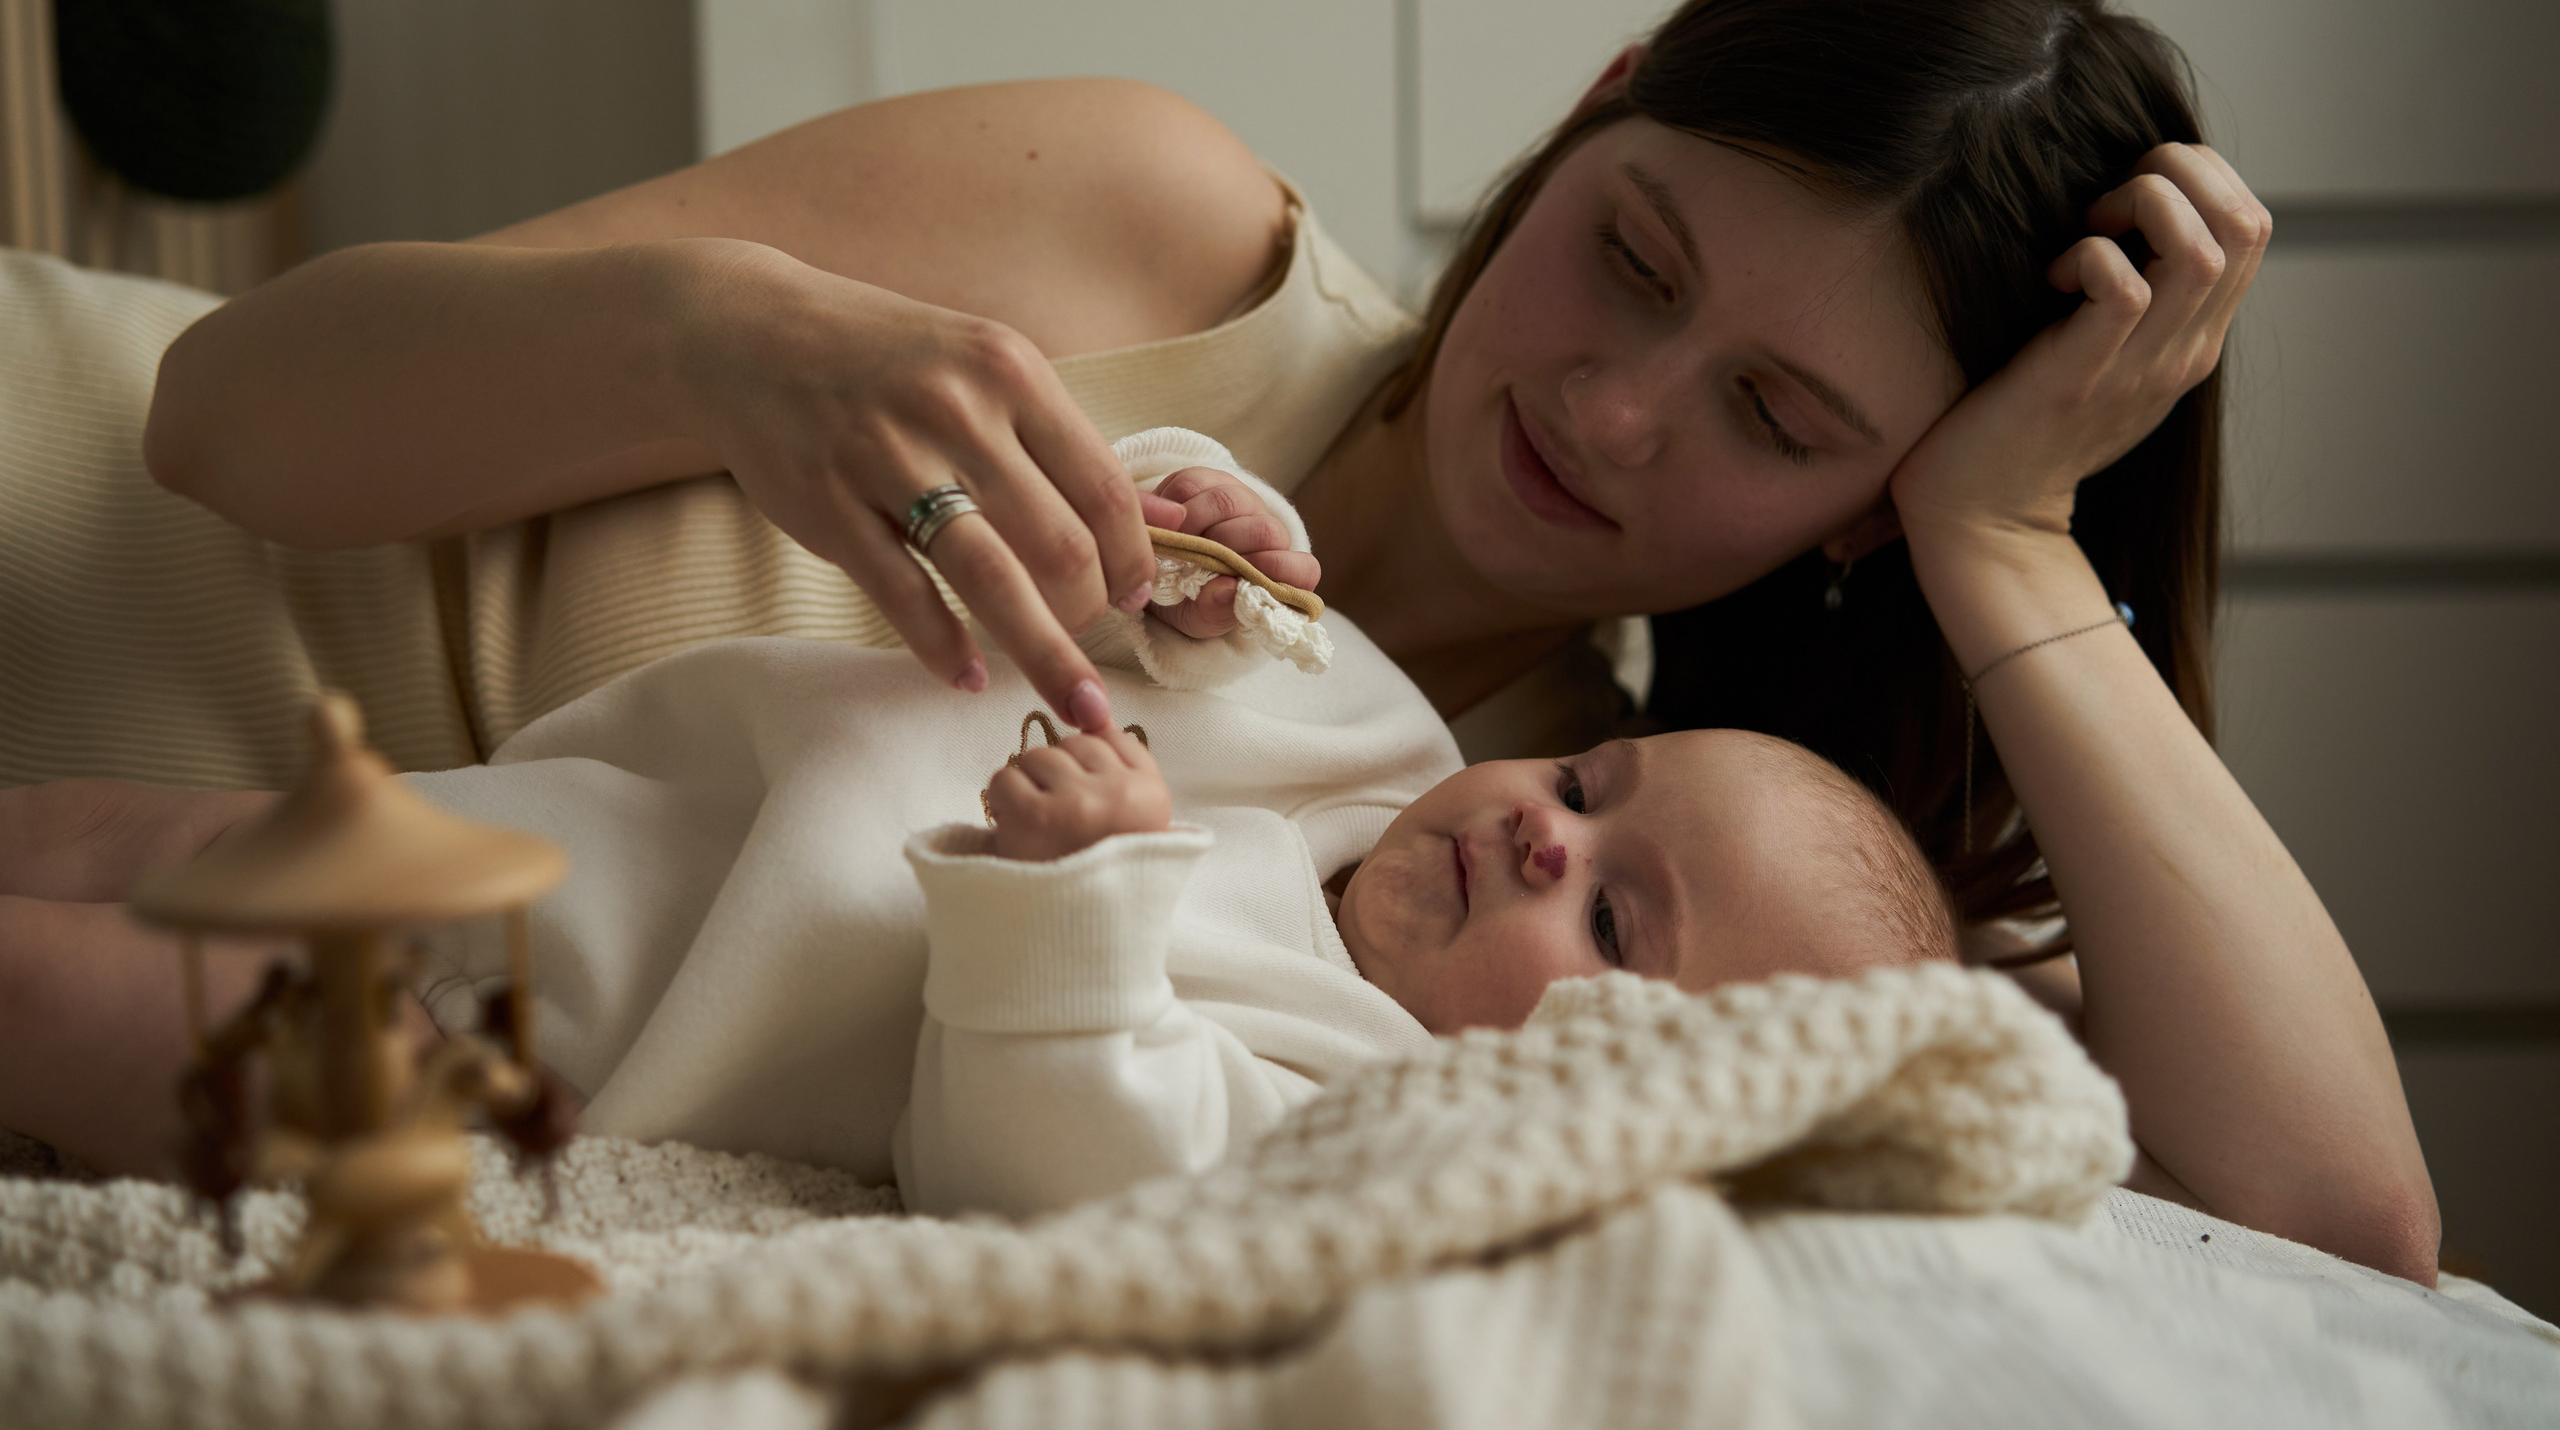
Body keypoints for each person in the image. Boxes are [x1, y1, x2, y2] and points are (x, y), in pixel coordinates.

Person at [0, 0, 2435, 1278]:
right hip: (69, 521)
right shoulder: (1164, 246)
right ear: (1586, 107)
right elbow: (229, 408)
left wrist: (2005, 551)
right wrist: (723, 342)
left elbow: (2335, 1226)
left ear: (1860, 516)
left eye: (1781, 423)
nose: (1608, 410)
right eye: (1630, 254)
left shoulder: (1602, 925)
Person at [0, 441, 1953, 1221]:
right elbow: (1170, 628)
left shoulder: (1355, 1103)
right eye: (1591, 791)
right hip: (525, 821)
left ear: (1623, 1115)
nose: (1541, 831)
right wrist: (1193, 535)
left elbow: (1060, 1154)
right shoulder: (1379, 736)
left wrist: (1085, 897)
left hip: (519, 1039)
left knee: (54, 981)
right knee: (82, 833)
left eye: (1617, 925)